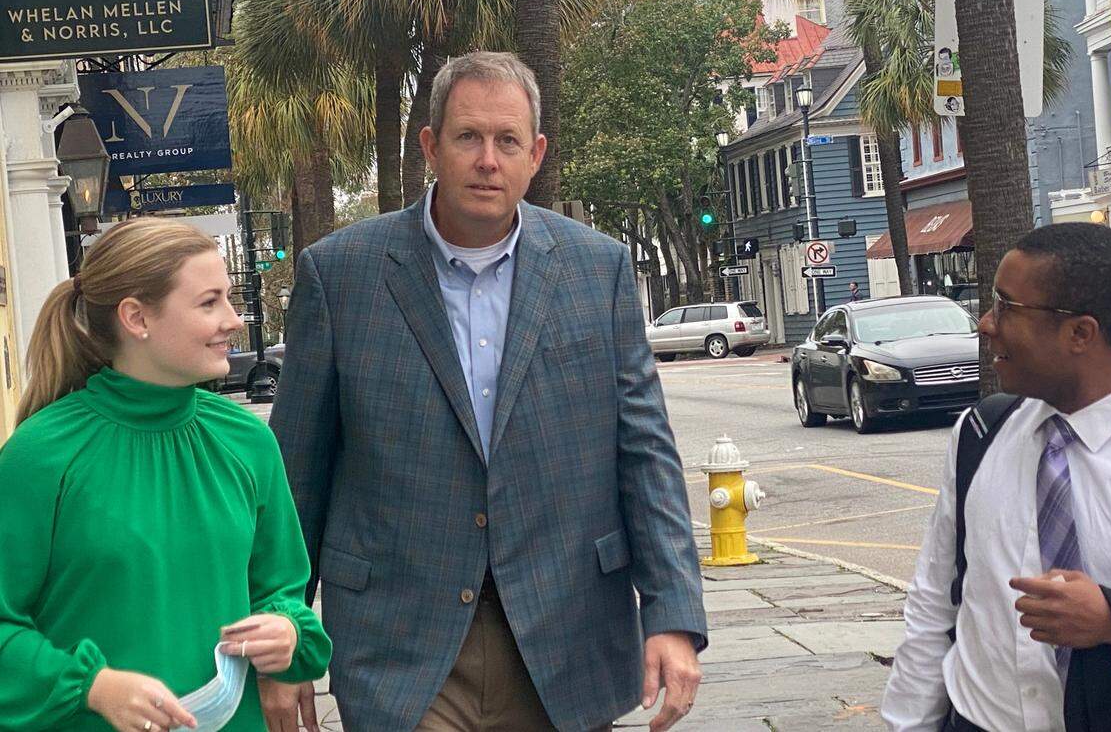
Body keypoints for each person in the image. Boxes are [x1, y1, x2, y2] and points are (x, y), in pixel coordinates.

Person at [268, 51, 706, 732]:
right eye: (468, 137)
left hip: (564, 634)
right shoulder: (340, 275)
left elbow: (645, 453)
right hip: (402, 645)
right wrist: (284, 634)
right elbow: (295, 478)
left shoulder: (600, 271)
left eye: (507, 142)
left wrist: (674, 615)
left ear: (535, 153)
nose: (487, 160)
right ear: (430, 147)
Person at [0, 217, 331, 732]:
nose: (234, 319)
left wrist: (287, 629)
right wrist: (93, 686)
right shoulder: (40, 455)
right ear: (136, 318)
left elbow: (281, 587)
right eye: (209, 302)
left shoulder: (248, 441)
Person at [882, 223, 1111, 731]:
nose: (985, 324)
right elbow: (936, 601)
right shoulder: (982, 433)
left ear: (1080, 334)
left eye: (1006, 308)